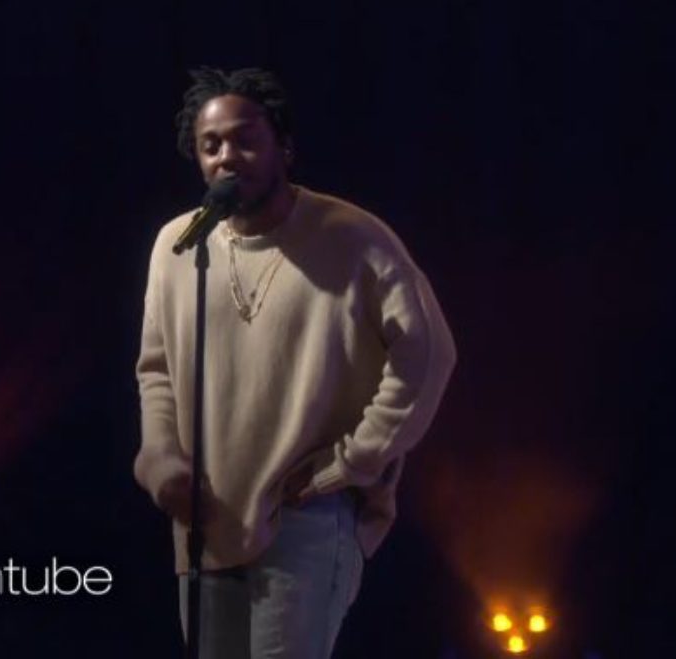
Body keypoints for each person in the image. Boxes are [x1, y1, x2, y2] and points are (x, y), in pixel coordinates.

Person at [133, 67, 457, 658]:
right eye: (211, 145)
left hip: (305, 515)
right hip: (205, 522)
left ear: (283, 147)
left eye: (245, 139)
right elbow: (157, 370)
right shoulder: (179, 246)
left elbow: (428, 353)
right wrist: (160, 455)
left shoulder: (352, 236)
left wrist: (350, 461)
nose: (227, 157)